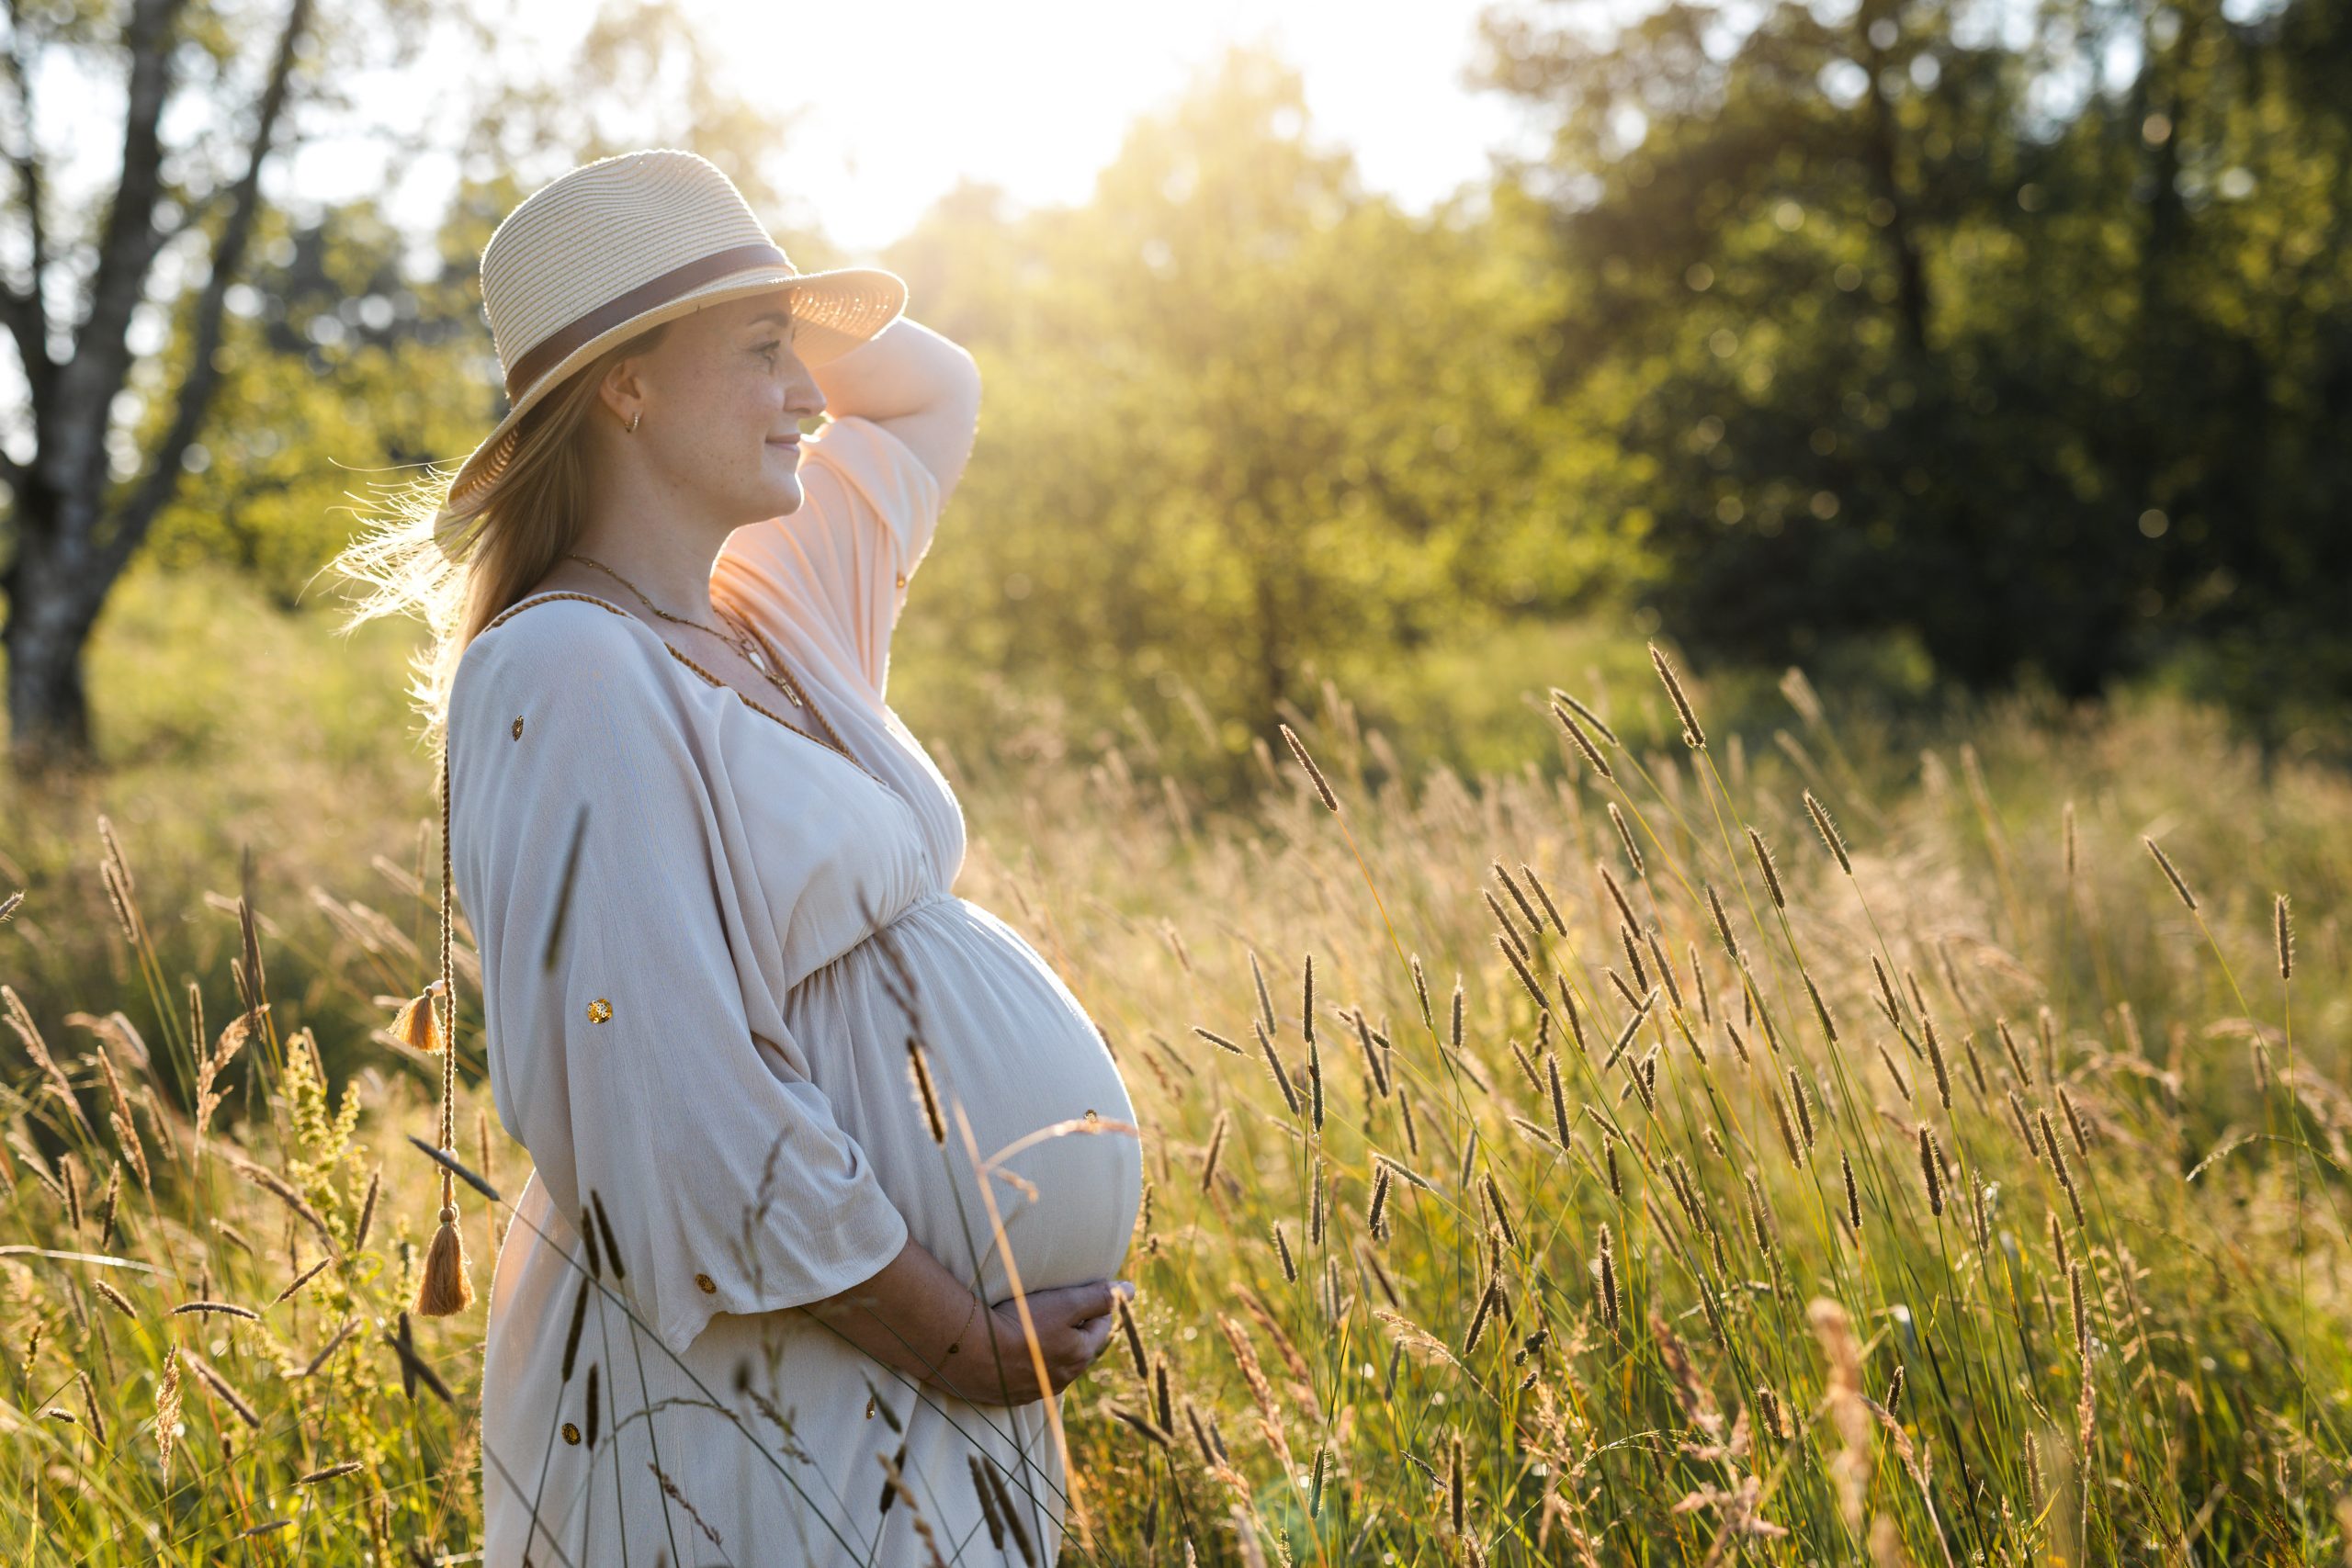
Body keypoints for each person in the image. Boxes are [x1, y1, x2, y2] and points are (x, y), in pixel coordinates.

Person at [332, 147, 1142, 1567]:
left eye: (799, 350)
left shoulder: (760, 607)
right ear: (628, 389)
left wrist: (744, 292)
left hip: (875, 1373)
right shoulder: (570, 663)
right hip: (767, 1377)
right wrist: (955, 1337)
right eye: (765, 354)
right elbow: (673, 1091)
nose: (813, 393)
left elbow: (934, 383)